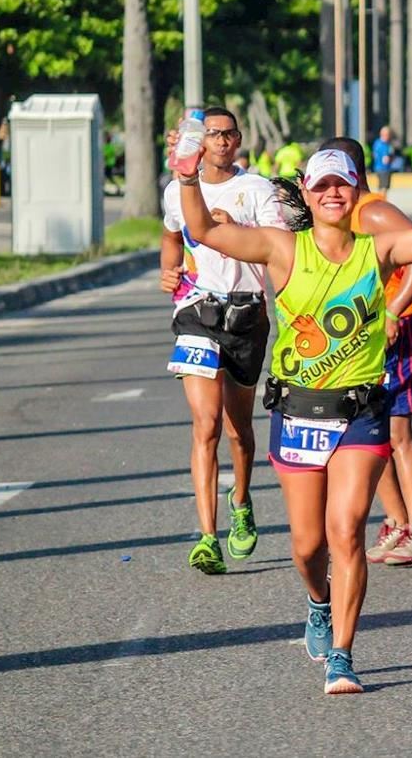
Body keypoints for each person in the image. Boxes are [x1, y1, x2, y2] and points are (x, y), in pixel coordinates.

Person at [172, 128, 412, 694]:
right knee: (308, 548)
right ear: (306, 190)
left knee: (346, 531)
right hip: (299, 412)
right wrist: (186, 177)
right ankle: (318, 601)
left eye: (341, 184)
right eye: (322, 184)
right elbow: (202, 230)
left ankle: (344, 656)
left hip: (360, 412)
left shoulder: (378, 250)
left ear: (355, 192)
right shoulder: (281, 248)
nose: (332, 193)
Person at [160, 107, 286, 575]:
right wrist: (167, 269)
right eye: (213, 134)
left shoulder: (255, 188)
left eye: (230, 134)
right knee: (206, 424)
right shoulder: (178, 190)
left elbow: (277, 243)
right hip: (196, 310)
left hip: (246, 312)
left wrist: (230, 225)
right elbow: (171, 236)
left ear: (238, 140)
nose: (222, 142)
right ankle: (208, 536)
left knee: (238, 431)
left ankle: (242, 500)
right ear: (201, 141)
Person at [312, 137, 412, 568]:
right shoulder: (343, 215)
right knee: (370, 428)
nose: (331, 188)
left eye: (337, 177)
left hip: (401, 326)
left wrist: (392, 310)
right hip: (367, 333)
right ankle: (397, 521)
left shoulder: (372, 210)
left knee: (398, 433)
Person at [372, 126, 396, 191]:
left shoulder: (388, 144)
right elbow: (383, 158)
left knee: (384, 188)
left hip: (386, 169)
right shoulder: (379, 144)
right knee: (383, 188)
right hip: (382, 169)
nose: (388, 136)